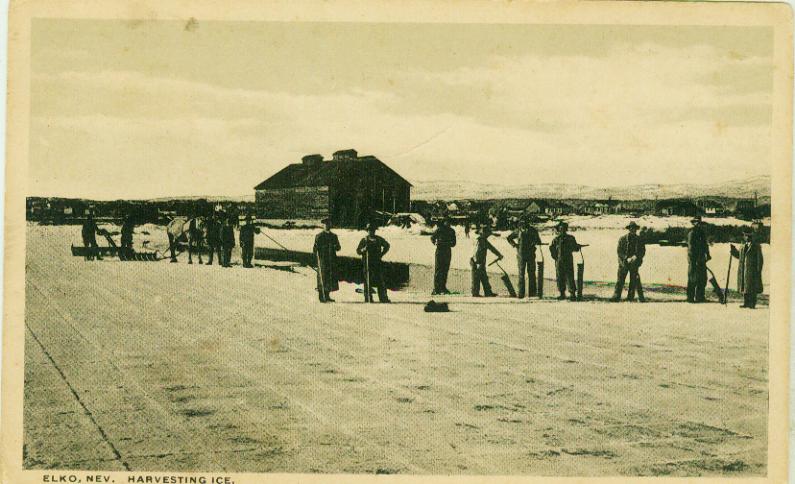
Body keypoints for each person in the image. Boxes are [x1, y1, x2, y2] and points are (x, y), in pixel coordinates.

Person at [611, 221, 646, 302]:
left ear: (636, 230)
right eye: (631, 228)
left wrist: (636, 256)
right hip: (623, 263)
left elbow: (642, 251)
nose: (632, 230)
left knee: (633, 280)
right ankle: (616, 296)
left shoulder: (639, 240)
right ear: (629, 229)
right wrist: (626, 258)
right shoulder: (622, 239)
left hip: (634, 263)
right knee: (620, 280)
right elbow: (619, 251)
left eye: (634, 229)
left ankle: (631, 297)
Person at [507, 217, 542, 299]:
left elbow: (538, 241)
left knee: (531, 274)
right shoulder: (518, 231)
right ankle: (521, 293)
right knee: (521, 274)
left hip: (530, 255)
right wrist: (515, 245)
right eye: (522, 222)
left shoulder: (533, 231)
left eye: (526, 222)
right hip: (521, 255)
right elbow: (509, 238)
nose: (524, 224)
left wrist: (534, 243)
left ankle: (532, 293)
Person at [356, 222, 391, 303]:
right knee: (367, 280)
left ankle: (383, 298)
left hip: (377, 263)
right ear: (367, 231)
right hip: (367, 263)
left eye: (372, 230)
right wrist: (363, 250)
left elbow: (387, 245)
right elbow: (358, 251)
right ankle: (368, 297)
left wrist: (382, 254)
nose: (371, 232)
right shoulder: (364, 240)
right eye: (369, 230)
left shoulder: (378, 239)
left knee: (381, 280)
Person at [732, 227, 764, 309]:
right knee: (745, 287)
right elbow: (739, 256)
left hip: (752, 270)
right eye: (746, 236)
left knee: (752, 287)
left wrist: (758, 270)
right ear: (744, 236)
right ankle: (746, 303)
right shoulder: (743, 246)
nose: (747, 237)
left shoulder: (756, 246)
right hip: (743, 269)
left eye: (749, 236)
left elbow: (759, 259)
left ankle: (752, 304)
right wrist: (733, 251)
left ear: (752, 236)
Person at [549, 221, 581, 301]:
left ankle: (572, 294)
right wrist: (555, 257)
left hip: (568, 260)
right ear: (559, 230)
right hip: (559, 261)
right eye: (560, 229)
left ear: (566, 229)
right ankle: (562, 293)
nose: (562, 230)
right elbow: (552, 248)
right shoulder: (556, 239)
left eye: (563, 229)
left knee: (570, 277)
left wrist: (577, 247)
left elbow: (575, 248)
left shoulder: (570, 238)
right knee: (560, 277)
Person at [313, 217, 341, 302]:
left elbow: (339, 247)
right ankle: (321, 296)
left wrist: (336, 247)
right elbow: (315, 248)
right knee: (323, 276)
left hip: (331, 259)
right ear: (323, 226)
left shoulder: (334, 236)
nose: (327, 226)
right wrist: (317, 250)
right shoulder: (319, 236)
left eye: (328, 224)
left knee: (330, 277)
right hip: (323, 259)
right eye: (325, 224)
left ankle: (327, 295)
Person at [470, 225, 502, 297]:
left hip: (481, 261)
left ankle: (488, 292)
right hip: (476, 261)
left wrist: (499, 254)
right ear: (483, 233)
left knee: (484, 276)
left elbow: (492, 248)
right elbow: (475, 252)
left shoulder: (484, 240)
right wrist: (477, 262)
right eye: (487, 234)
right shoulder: (479, 240)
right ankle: (475, 293)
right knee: (476, 277)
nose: (488, 235)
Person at [686, 215, 711, 303]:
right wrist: (693, 259)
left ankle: (700, 297)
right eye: (697, 223)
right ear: (694, 223)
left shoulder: (702, 233)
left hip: (701, 259)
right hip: (694, 260)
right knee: (693, 278)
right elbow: (691, 248)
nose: (699, 224)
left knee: (702, 279)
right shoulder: (691, 233)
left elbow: (705, 245)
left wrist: (708, 255)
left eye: (700, 223)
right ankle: (690, 297)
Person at [430, 216, 456, 295]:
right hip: (440, 251)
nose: (447, 223)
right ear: (444, 222)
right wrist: (435, 243)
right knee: (438, 270)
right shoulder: (439, 230)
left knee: (445, 270)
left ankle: (443, 288)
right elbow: (432, 238)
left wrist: (447, 243)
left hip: (447, 251)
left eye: (449, 222)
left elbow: (454, 243)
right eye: (446, 221)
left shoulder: (451, 231)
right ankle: (436, 289)